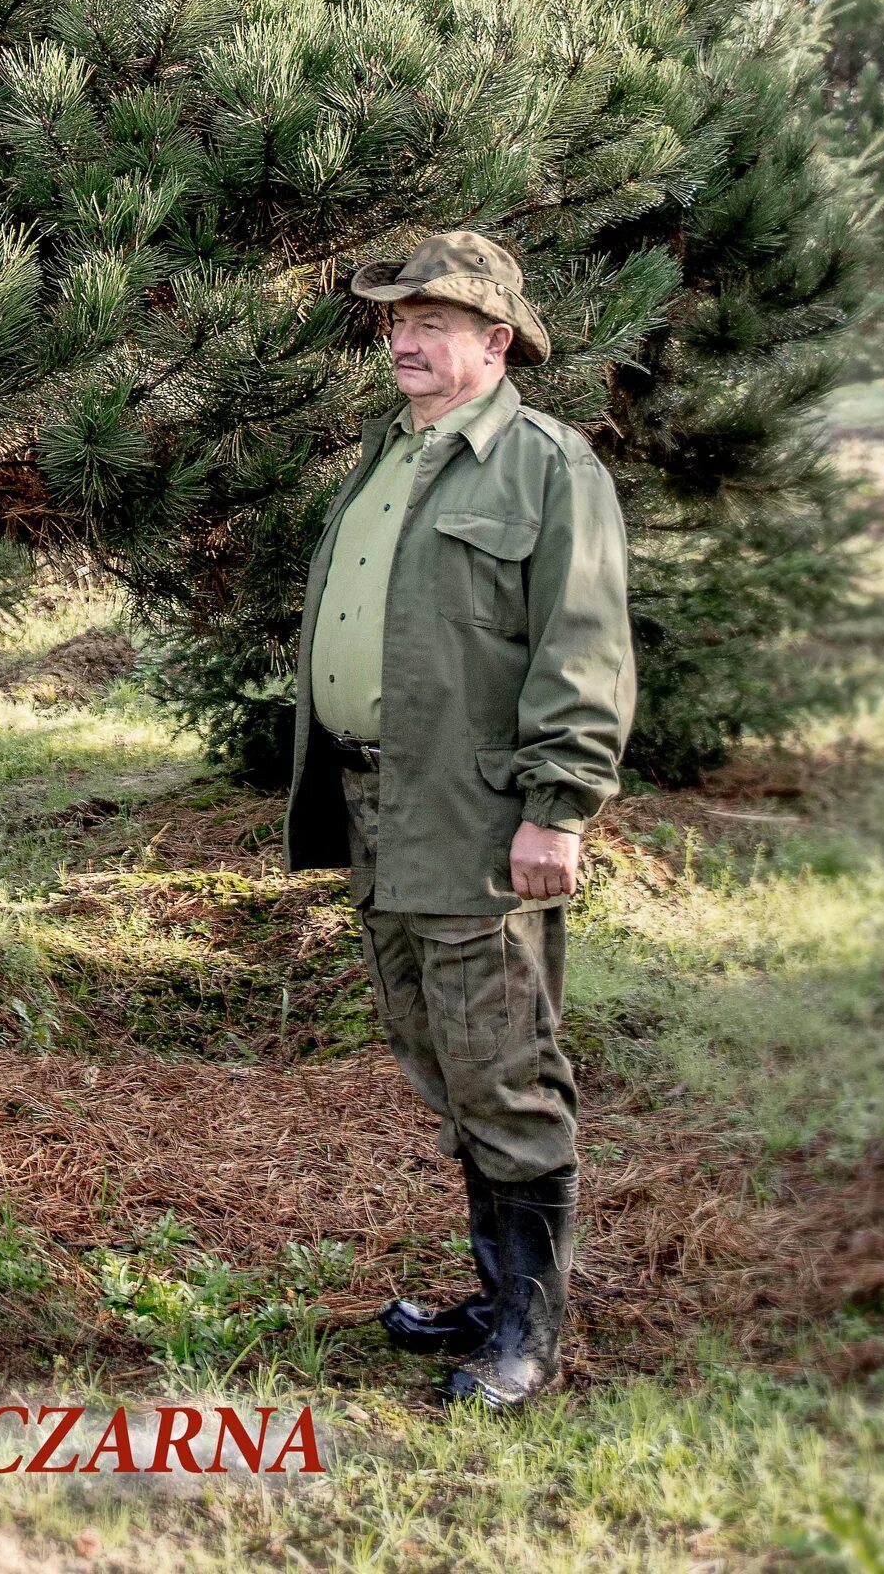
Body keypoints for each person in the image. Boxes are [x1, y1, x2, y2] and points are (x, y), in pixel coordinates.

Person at [285, 231, 635, 1409]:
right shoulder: (390, 455)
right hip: (380, 802)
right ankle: (494, 1299)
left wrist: (556, 811)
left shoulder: (545, 465)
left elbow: (581, 650)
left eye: (431, 322)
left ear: (496, 341)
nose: (403, 339)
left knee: (501, 1064)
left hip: (479, 821)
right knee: (437, 1057)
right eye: (394, 320)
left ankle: (528, 1338)